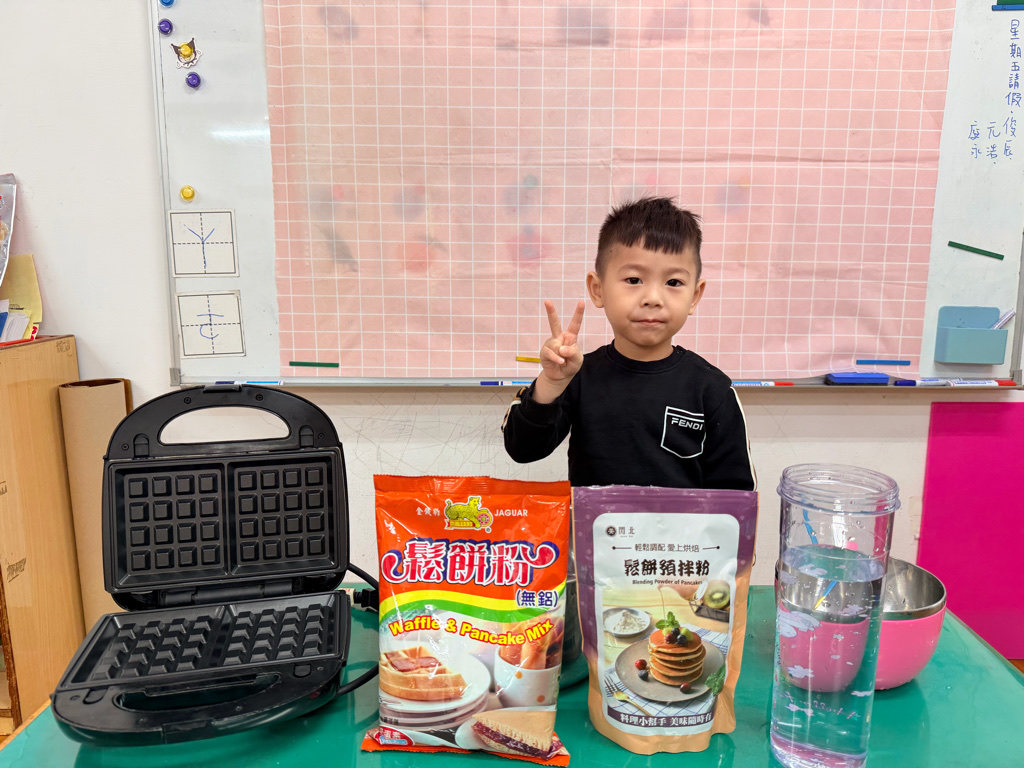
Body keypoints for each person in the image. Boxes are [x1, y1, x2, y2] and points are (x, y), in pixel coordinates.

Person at [502, 196, 755, 491]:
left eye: (673, 282)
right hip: (595, 523)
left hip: (682, 525)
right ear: (598, 289)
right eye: (634, 280)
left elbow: (736, 496)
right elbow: (522, 449)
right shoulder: (578, 376)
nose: (653, 298)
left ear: (694, 296)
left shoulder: (712, 390)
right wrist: (551, 383)